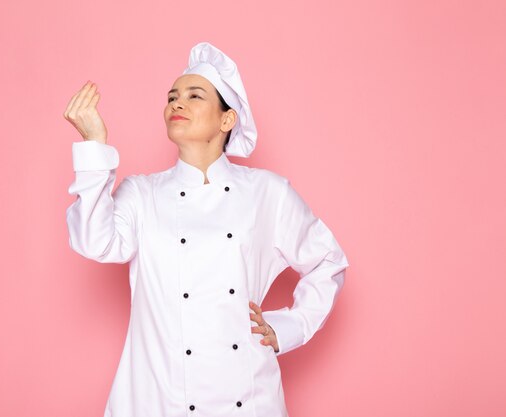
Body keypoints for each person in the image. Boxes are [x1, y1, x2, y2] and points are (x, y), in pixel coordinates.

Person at [64, 41, 349, 417]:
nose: (176, 104)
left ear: (226, 120)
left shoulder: (267, 193)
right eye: (172, 96)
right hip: (158, 399)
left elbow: (328, 261)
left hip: (248, 399)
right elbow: (93, 242)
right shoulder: (142, 193)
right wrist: (94, 146)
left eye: (194, 96)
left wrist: (289, 326)